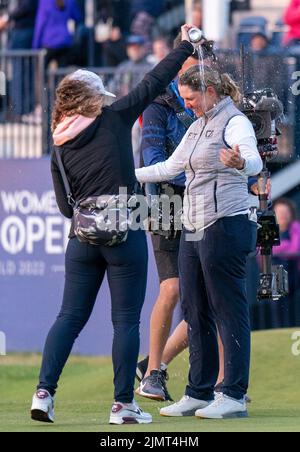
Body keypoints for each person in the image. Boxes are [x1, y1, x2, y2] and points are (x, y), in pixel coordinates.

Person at [30, 25, 196, 426]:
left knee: (68, 317)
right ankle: (123, 406)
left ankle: (43, 395)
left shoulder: (58, 143)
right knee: (124, 322)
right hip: (126, 234)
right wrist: (185, 46)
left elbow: (66, 209)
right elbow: (155, 79)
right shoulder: (114, 116)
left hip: (82, 239)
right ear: (94, 97)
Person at [136, 65, 262, 419]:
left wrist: (240, 162)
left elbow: (252, 158)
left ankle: (233, 393)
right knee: (194, 309)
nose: (187, 105)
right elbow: (167, 168)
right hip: (194, 226)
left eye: (191, 99)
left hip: (226, 223)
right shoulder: (196, 126)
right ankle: (199, 392)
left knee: (228, 309)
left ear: (209, 91)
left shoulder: (234, 121)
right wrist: (123, 174)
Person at [0, 0, 38, 118]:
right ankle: (22, 110)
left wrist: (7, 18)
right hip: (22, 32)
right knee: (21, 74)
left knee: (20, 75)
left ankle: (20, 111)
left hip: (22, 32)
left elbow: (26, 6)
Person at [33, 0, 82, 67]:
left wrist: (35, 45)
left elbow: (40, 24)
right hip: (65, 41)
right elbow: (78, 17)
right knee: (62, 72)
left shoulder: (45, 1)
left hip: (49, 42)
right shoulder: (70, 1)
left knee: (42, 71)